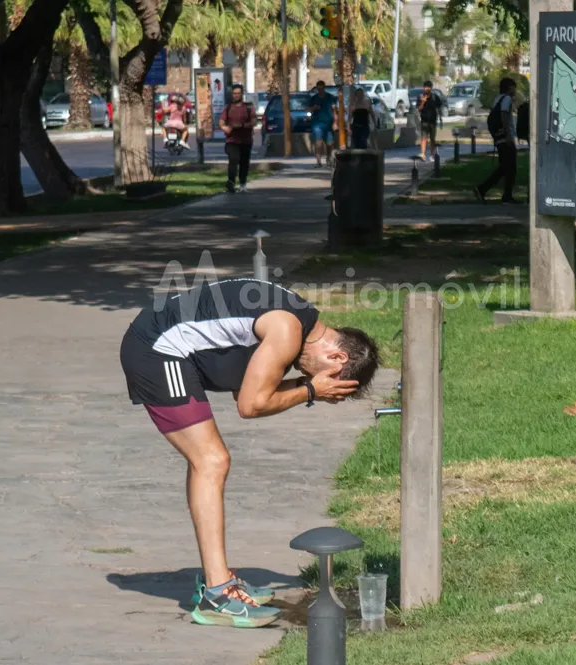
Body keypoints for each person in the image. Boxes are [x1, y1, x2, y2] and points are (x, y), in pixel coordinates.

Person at [120, 277, 381, 628]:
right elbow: (251, 404)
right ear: (337, 356)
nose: (309, 374)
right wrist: (310, 390)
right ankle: (217, 595)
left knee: (209, 461)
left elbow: (250, 388)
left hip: (163, 343)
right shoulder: (288, 332)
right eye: (330, 377)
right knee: (211, 460)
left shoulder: (297, 319)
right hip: (158, 350)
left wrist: (309, 387)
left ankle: (218, 579)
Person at [475, 78, 519, 204]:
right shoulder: (506, 99)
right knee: (508, 166)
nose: (515, 90)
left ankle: (506, 194)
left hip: (499, 137)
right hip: (505, 137)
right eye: (513, 87)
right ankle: (483, 188)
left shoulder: (497, 99)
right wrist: (508, 134)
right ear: (509, 87)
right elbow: (504, 115)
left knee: (506, 167)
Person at [219, 84, 256, 193]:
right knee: (233, 159)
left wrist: (242, 125)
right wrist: (226, 128)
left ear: (242, 94)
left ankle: (243, 183)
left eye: (238, 93)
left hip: (245, 140)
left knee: (244, 162)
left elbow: (254, 122)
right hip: (232, 140)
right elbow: (221, 122)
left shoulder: (248, 107)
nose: (236, 95)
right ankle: (231, 182)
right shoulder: (228, 107)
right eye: (234, 93)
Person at [308, 80, 338, 167]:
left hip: (329, 123)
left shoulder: (330, 97)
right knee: (318, 142)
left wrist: (335, 123)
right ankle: (318, 161)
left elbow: (335, 111)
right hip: (317, 123)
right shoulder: (314, 98)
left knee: (329, 143)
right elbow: (307, 109)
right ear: (317, 88)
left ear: (324, 88)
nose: (320, 90)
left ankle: (328, 158)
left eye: (321, 88)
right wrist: (313, 108)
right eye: (318, 88)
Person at [416, 80, 442, 161]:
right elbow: (419, 109)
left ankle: (432, 155)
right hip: (424, 121)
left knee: (432, 139)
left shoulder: (434, 97)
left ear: (431, 88)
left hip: (433, 121)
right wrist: (423, 102)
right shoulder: (420, 97)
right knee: (423, 138)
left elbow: (439, 106)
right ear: (423, 88)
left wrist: (440, 118)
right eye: (426, 87)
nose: (427, 89)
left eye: (429, 87)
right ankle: (423, 154)